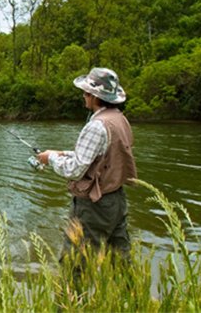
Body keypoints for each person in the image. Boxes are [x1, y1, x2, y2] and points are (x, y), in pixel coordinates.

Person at [37, 67, 137, 259]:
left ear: (94, 96)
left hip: (94, 206)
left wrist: (50, 158)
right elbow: (101, 156)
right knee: (120, 260)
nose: (83, 96)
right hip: (116, 199)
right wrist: (61, 153)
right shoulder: (120, 119)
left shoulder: (97, 125)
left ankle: (71, 291)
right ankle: (128, 290)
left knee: (75, 264)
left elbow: (75, 170)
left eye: (86, 92)